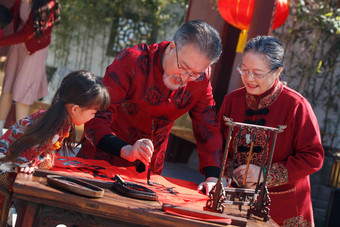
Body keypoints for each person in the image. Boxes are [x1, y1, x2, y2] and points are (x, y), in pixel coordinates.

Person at [76, 20, 223, 194]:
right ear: (171, 47)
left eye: (194, 73)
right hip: (102, 158)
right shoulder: (131, 60)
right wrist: (126, 150)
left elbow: (207, 126)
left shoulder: (201, 78)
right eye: (183, 67)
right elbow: (96, 116)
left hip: (148, 172)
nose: (185, 78)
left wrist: (213, 178)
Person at [217, 36, 324, 226]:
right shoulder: (232, 101)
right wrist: (229, 171)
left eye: (257, 74)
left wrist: (264, 174)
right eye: (244, 70)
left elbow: (313, 156)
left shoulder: (296, 105)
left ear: (278, 71)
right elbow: (216, 145)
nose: (248, 78)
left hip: (283, 207)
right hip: (235, 201)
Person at [0, 70, 110, 217]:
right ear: (76, 109)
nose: (93, 116)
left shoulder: (54, 117)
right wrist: (29, 164)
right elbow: (30, 151)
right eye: (93, 112)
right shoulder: (58, 124)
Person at [0, 0, 60, 136]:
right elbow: (9, 15)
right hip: (17, 44)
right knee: (7, 89)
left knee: (23, 93)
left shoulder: (47, 5)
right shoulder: (20, 1)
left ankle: (19, 136)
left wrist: (1, 41)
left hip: (34, 49)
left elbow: (28, 33)